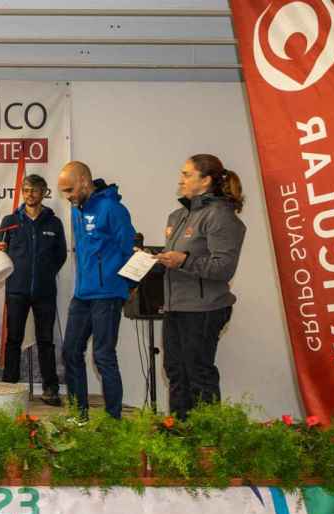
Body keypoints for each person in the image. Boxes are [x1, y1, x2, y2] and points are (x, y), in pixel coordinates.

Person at [156, 154, 246, 419]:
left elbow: (223, 268)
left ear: (206, 180)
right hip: (176, 305)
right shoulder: (179, 215)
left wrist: (183, 260)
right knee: (175, 371)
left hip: (205, 309)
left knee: (198, 373)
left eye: (187, 174)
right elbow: (180, 260)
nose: (181, 179)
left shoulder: (220, 216)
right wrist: (154, 261)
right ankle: (180, 435)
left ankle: (206, 442)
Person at [58, 161, 136, 420]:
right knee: (70, 351)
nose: (67, 197)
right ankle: (79, 414)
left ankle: (113, 419)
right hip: (83, 294)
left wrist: (126, 286)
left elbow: (129, 250)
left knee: (103, 355)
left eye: (69, 190)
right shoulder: (77, 211)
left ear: (83, 181)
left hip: (107, 294)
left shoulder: (113, 209)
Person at [0, 174, 67, 405]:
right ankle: (8, 387)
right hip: (16, 290)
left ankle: (50, 388)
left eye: (35, 190)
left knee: (46, 340)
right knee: (14, 339)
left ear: (44, 192)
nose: (30, 194)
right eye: (26, 189)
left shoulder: (54, 223)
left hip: (45, 292)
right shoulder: (10, 220)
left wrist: (44, 274)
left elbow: (61, 256)